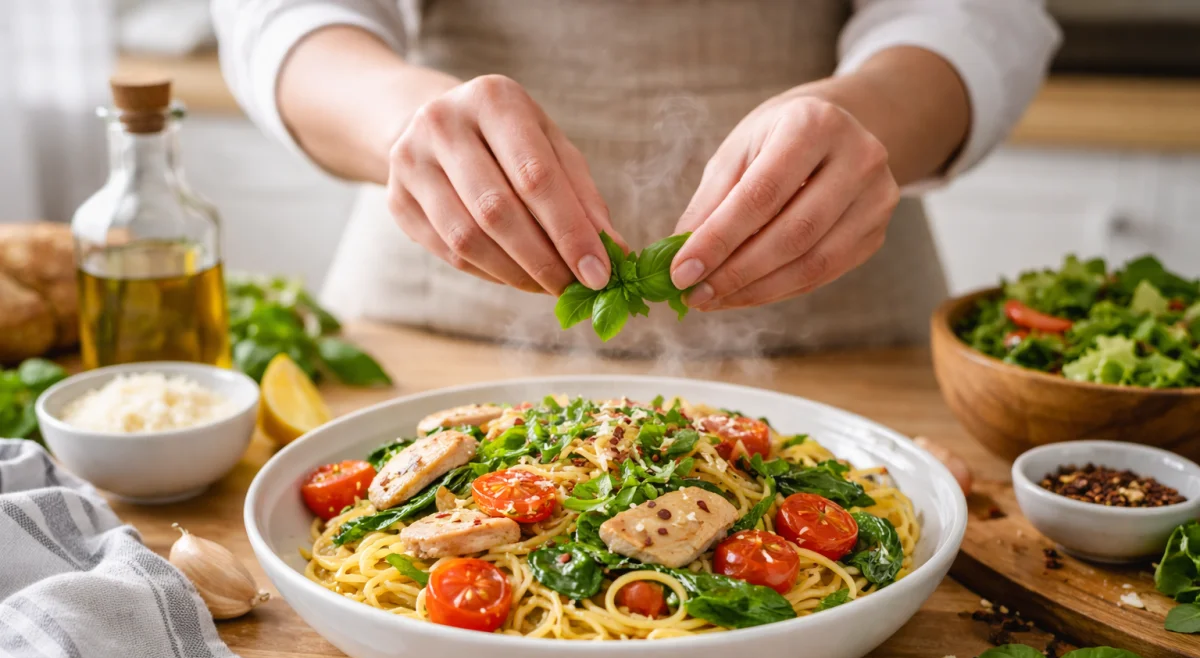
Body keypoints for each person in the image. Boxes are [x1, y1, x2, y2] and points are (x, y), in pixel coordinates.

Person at [213, 0, 1059, 354]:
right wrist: (397, 115)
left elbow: (983, 12)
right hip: (436, 319)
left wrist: (874, 110)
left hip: (844, 319)